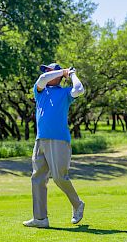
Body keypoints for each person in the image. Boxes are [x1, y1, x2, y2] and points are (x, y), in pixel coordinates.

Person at [23, 62, 85, 228]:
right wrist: (63, 71)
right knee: (37, 178)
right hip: (40, 139)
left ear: (57, 76)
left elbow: (79, 89)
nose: (46, 73)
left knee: (59, 177)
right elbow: (42, 79)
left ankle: (77, 204)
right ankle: (40, 219)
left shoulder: (65, 93)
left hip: (59, 140)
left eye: (50, 71)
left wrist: (71, 75)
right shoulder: (40, 91)